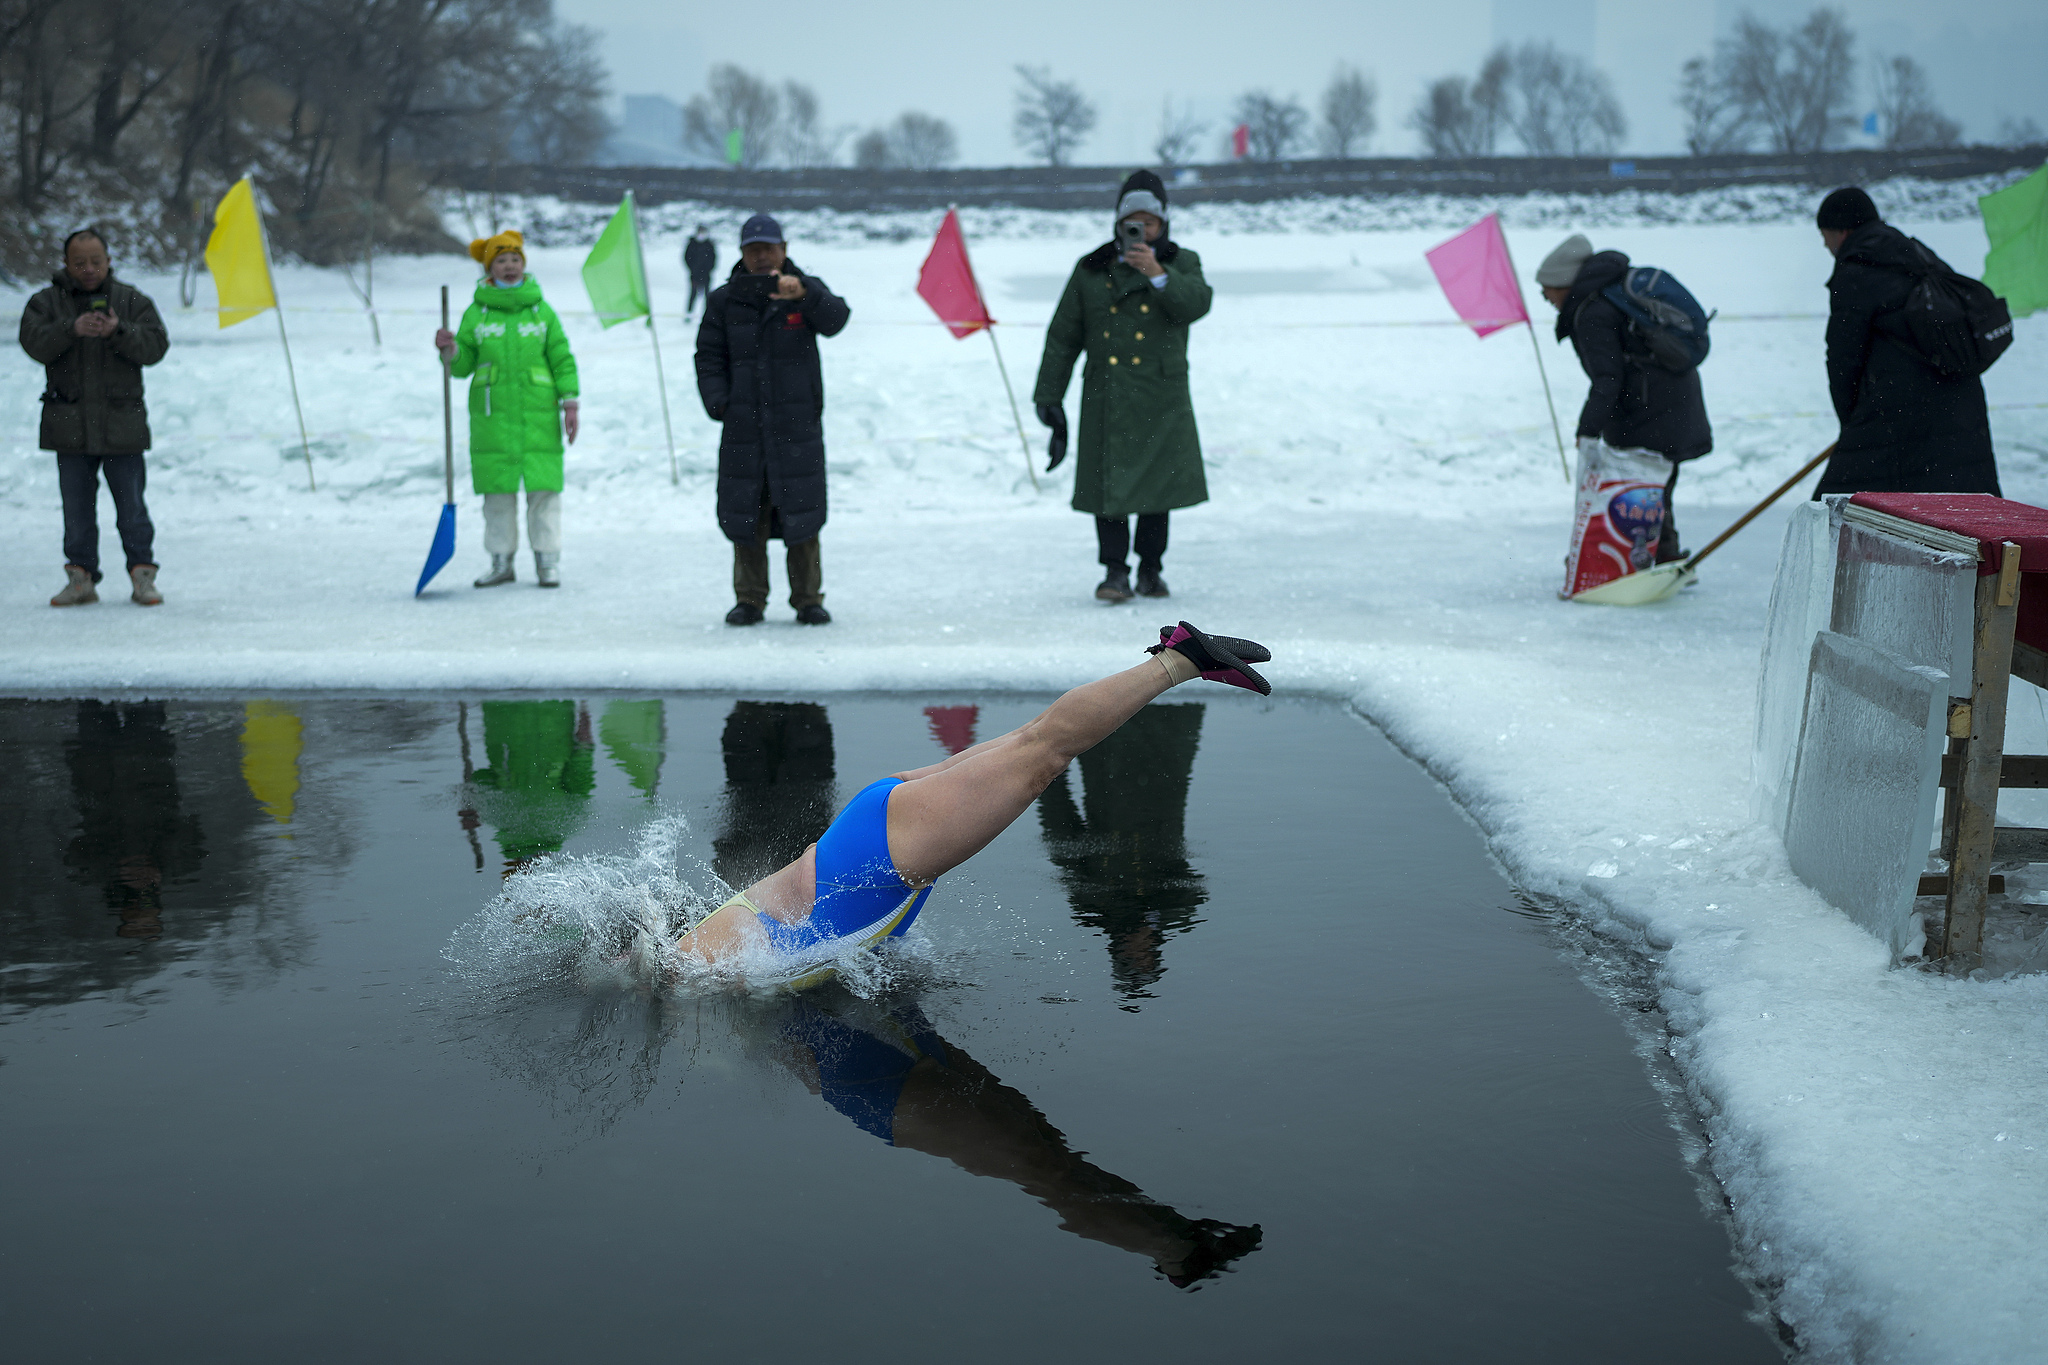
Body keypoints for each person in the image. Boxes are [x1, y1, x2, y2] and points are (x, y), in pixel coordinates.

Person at [675, 623, 1271, 975]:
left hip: (874, 859)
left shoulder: (689, 962)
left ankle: (1183, 658)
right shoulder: (705, 949)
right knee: (1032, 742)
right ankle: (1178, 655)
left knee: (1043, 754)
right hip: (873, 847)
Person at [1033, 170, 1213, 603]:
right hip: (1107, 394)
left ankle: (1150, 570)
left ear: (1163, 223)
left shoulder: (1182, 263)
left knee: (1157, 487)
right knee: (1106, 489)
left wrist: (1157, 273)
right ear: (1117, 223)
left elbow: (1196, 304)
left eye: (1148, 222)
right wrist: (1048, 396)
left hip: (1160, 396)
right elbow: (1063, 335)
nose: (1140, 230)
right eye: (1132, 222)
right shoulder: (1091, 268)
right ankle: (1115, 572)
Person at [694, 213, 850, 627]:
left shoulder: (802, 291)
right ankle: (749, 599)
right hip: (744, 426)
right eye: (753, 249)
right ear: (743, 253)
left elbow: (837, 320)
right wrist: (719, 402)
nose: (761, 256)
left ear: (784, 249)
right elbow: (708, 357)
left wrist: (806, 294)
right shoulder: (724, 300)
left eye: (769, 248)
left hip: (796, 425)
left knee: (802, 514)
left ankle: (807, 599)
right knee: (747, 513)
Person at [1810, 186, 1999, 497]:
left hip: (1896, 417)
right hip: (1960, 408)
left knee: (1840, 513)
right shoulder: (1916, 254)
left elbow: (1844, 359)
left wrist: (1852, 423)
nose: (1825, 244)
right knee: (1958, 515)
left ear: (1842, 232)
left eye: (1825, 235)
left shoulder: (1856, 270)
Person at [1536, 233, 1712, 563]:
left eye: (1547, 288)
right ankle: (1662, 557)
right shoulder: (1609, 298)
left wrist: (1587, 429)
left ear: (1563, 283)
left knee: (1642, 488)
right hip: (1671, 400)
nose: (1545, 296)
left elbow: (1608, 377)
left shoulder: (1593, 312)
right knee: (1653, 487)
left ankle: (1646, 561)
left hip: (1648, 410)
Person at [19, 229, 171, 607]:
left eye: (95, 262)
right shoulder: (46, 302)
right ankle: (80, 578)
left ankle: (142, 575)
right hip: (68, 428)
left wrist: (118, 330)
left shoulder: (132, 301)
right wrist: (69, 330)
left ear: (108, 260)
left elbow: (156, 346)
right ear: (67, 264)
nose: (88, 269)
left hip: (123, 426)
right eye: (80, 262)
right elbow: (32, 341)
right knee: (76, 512)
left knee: (132, 509)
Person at [433, 230, 580, 588]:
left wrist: (570, 402)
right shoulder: (476, 314)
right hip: (492, 421)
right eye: (501, 260)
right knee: (497, 495)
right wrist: (449, 350)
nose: (510, 266)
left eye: (515, 259)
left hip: (539, 418)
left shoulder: (541, 312)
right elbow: (463, 365)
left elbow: (562, 358)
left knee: (543, 492)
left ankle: (547, 561)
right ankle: (501, 562)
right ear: (490, 268)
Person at [683, 224, 716, 317]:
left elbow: (713, 258)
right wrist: (693, 269)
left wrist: (709, 269)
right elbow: (687, 258)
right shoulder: (692, 243)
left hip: (706, 274)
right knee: (693, 295)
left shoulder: (709, 244)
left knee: (707, 296)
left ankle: (707, 315)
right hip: (695, 274)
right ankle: (688, 314)